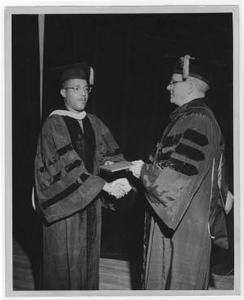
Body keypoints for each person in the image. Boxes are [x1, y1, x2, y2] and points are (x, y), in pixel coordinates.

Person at [129, 55, 233, 290]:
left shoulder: (196, 120)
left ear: (188, 86)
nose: (168, 86)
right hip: (180, 220)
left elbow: (177, 178)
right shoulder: (191, 118)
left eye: (173, 82)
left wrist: (143, 171)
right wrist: (138, 177)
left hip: (183, 227)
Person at [33, 61, 131, 290]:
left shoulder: (94, 122)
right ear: (62, 92)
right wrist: (103, 186)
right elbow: (66, 165)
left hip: (91, 205)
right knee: (64, 265)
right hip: (66, 206)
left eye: (86, 88)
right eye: (76, 88)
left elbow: (110, 156)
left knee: (87, 262)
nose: (83, 93)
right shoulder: (54, 123)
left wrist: (120, 177)